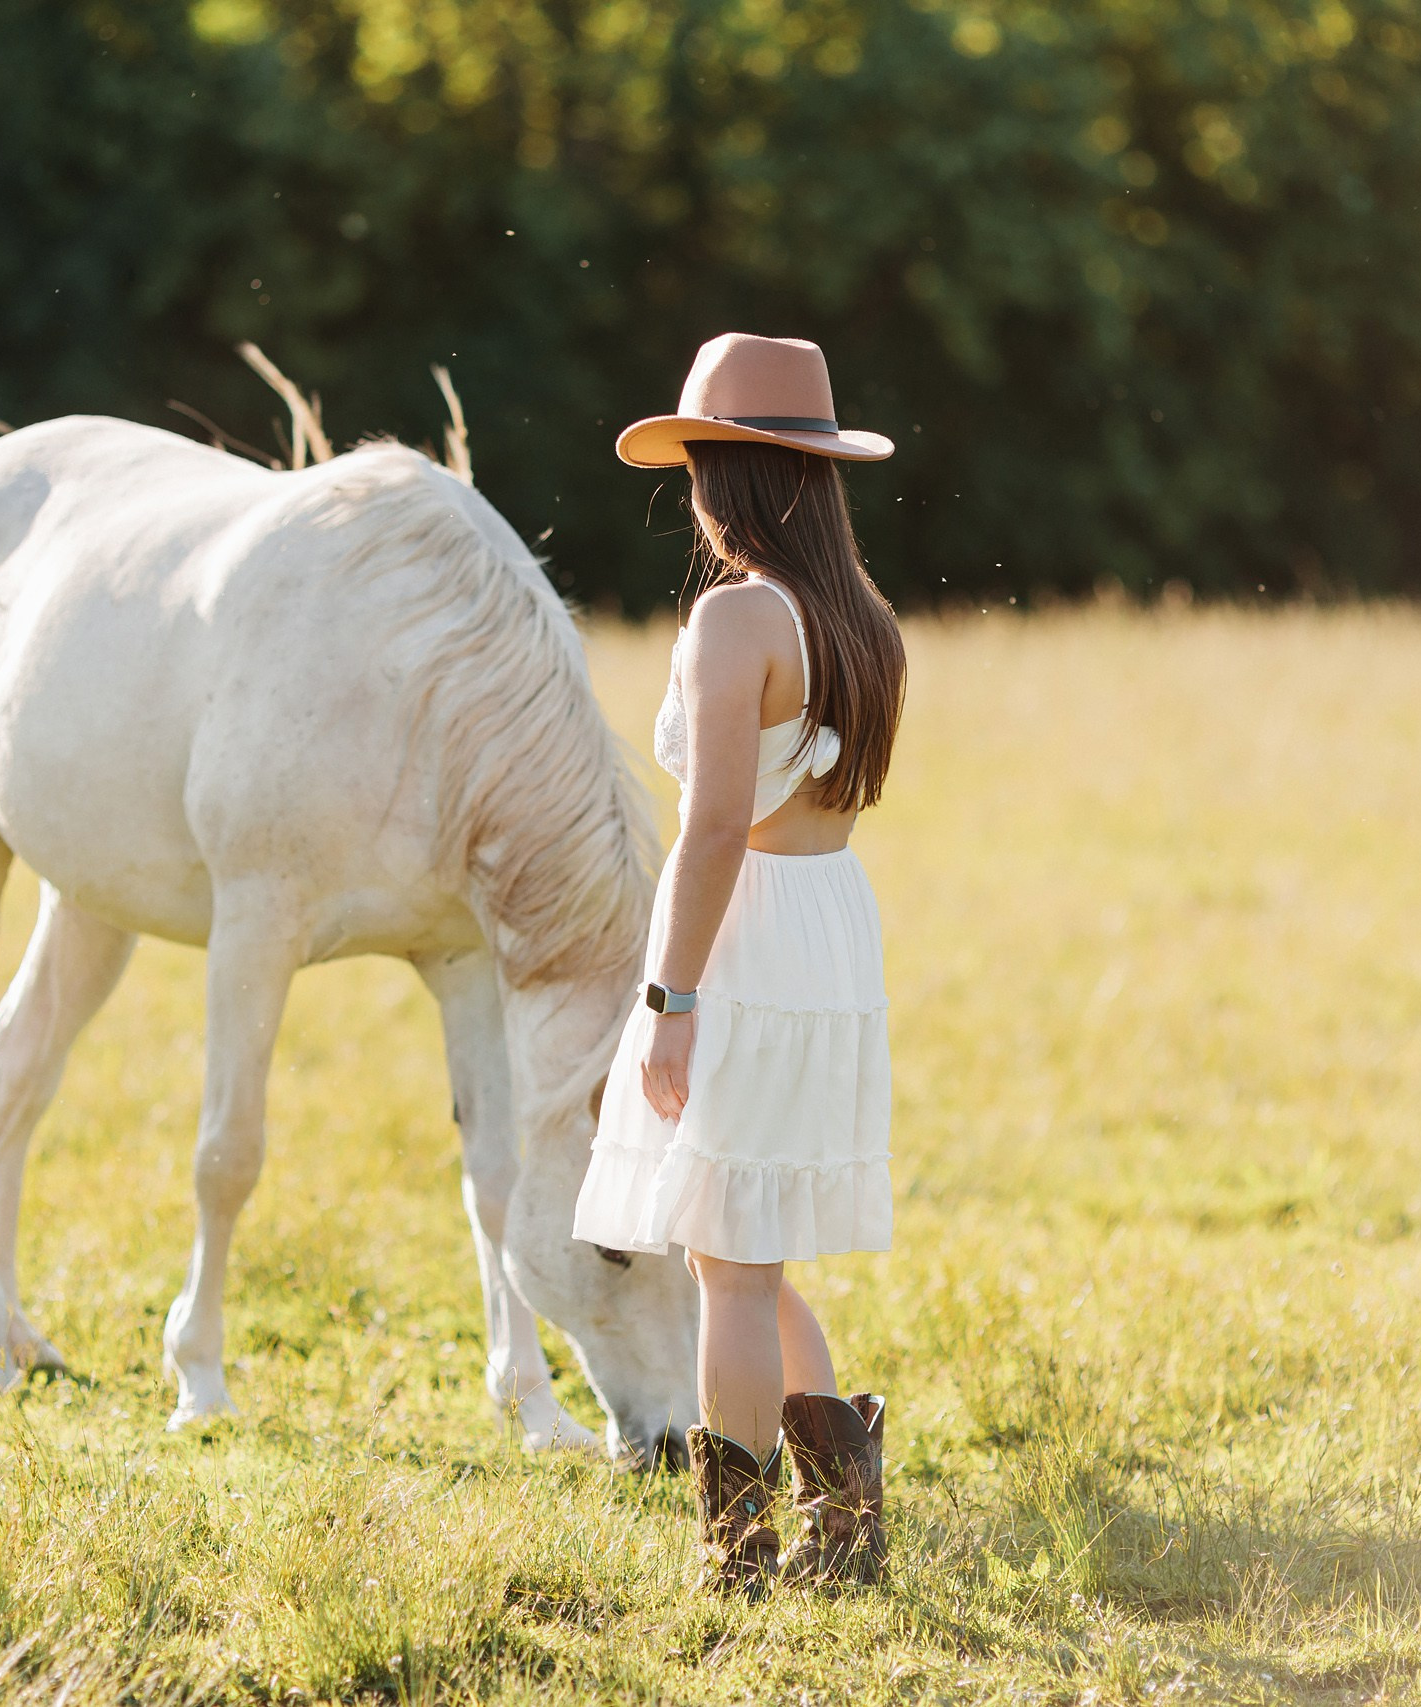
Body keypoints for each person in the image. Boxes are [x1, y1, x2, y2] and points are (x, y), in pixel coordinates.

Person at [575, 333, 904, 1594]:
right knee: (744, 1248)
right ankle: (845, 1518)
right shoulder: (861, 619)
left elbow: (713, 829)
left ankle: (741, 1550)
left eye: (700, 468)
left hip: (750, 931)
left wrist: (669, 997)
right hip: (828, 924)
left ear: (731, 477)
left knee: (727, 1256)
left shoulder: (735, 618)